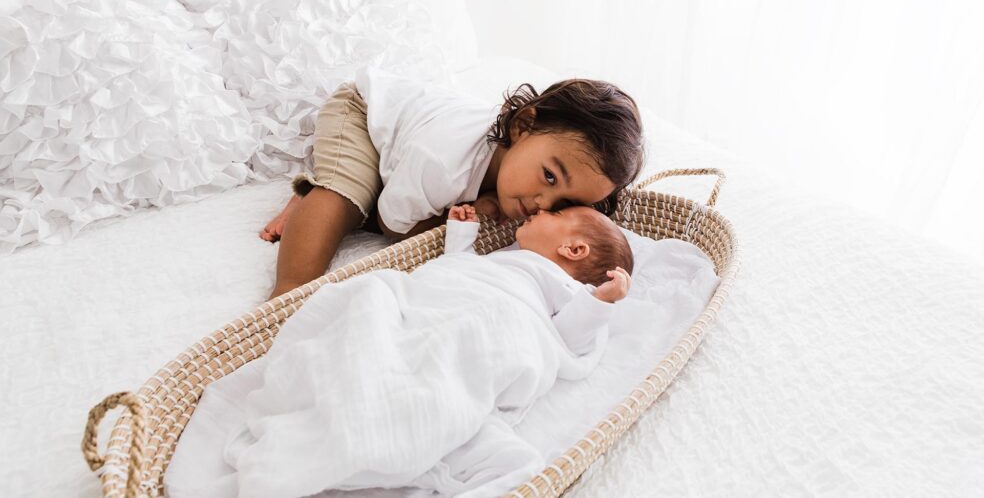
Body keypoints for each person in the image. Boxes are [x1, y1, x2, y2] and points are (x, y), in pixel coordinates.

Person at [165, 203, 634, 498]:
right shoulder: (502, 260)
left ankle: (388, 426)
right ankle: (355, 402)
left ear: (572, 250)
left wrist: (601, 305)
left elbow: (569, 338)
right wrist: (461, 237)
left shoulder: (558, 290)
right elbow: (456, 275)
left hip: (496, 328)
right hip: (433, 308)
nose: (538, 211)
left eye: (554, 215)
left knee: (447, 371)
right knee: (373, 299)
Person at [260, 67, 644, 299]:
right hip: (363, 112)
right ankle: (286, 291)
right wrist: (479, 211)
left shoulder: (524, 167)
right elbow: (393, 224)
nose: (544, 204)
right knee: (347, 197)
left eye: (564, 205)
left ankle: (318, 194)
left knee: (389, 189)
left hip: (413, 146)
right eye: (549, 176)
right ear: (522, 126)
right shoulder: (444, 161)